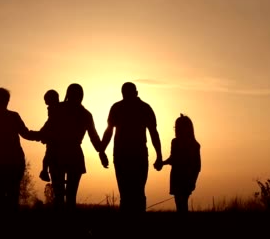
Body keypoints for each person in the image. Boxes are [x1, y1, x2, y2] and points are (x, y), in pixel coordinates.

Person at [36, 83, 108, 211]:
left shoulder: (59, 109)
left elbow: (46, 131)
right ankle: (70, 225)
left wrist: (38, 136)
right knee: (70, 196)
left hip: (58, 155)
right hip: (73, 156)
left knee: (60, 196)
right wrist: (101, 152)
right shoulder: (85, 114)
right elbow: (94, 138)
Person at [100, 82, 162, 213]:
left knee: (134, 192)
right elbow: (109, 131)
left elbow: (153, 132)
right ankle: (131, 225)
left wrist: (159, 155)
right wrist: (101, 151)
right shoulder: (137, 108)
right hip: (126, 156)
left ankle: (132, 224)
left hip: (134, 156)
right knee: (130, 193)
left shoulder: (140, 108)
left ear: (135, 93)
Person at [160, 114, 201, 213]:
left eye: (178, 127)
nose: (176, 130)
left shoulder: (194, 145)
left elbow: (197, 166)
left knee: (182, 204)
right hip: (176, 177)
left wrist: (193, 181)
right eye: (176, 127)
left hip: (186, 179)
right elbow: (173, 158)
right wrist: (162, 163)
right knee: (180, 204)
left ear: (186, 129)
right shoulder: (175, 142)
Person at [39, 89, 60, 182]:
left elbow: (50, 123)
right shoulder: (55, 108)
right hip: (52, 139)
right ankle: (45, 172)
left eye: (46, 101)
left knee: (47, 157)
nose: (46, 104)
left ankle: (44, 172)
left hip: (54, 141)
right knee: (46, 158)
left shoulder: (54, 109)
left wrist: (42, 132)